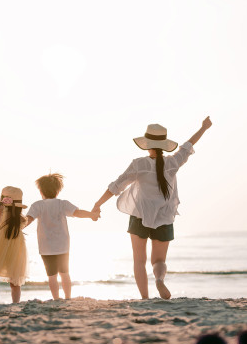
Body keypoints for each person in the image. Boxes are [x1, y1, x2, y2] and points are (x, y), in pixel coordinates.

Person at [92, 117, 213, 300]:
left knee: (139, 261)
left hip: (140, 215)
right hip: (164, 217)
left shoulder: (139, 164)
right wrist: (203, 127)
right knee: (159, 261)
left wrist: (97, 205)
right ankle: (159, 279)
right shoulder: (173, 162)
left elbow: (116, 187)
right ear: (164, 145)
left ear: (147, 144)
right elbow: (188, 145)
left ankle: (145, 298)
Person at [25, 173, 100, 300]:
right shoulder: (62, 204)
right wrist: (91, 215)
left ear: (41, 191)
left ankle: (56, 298)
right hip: (63, 246)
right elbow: (78, 213)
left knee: (51, 276)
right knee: (65, 274)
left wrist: (16, 227)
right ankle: (68, 297)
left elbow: (28, 220)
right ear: (57, 190)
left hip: (46, 247)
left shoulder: (37, 205)